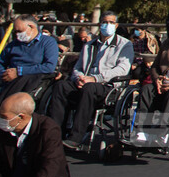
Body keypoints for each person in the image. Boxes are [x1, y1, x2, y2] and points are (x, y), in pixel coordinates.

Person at [47, 11, 133, 147]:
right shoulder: (89, 45)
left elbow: (122, 69)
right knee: (61, 86)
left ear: (116, 25)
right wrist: (78, 78)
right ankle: (55, 133)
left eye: (111, 22)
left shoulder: (124, 44)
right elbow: (78, 67)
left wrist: (94, 78)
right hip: (84, 81)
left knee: (89, 88)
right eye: (105, 22)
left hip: (107, 86)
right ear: (100, 24)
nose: (107, 25)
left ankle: (76, 136)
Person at [0, 15, 60, 105]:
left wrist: (19, 71)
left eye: (20, 31)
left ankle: (6, 105)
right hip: (10, 80)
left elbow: (49, 67)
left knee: (24, 81)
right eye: (15, 32)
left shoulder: (48, 42)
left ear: (31, 27)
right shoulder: (13, 45)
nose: (17, 35)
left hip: (33, 81)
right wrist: (4, 73)